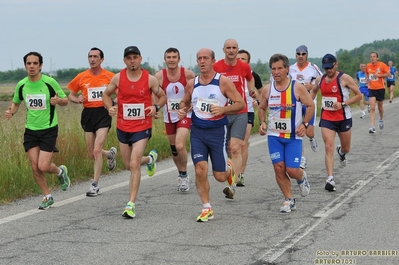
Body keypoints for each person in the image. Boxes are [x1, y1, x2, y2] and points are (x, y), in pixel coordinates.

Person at [178, 48, 245, 222]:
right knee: (200, 170)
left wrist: (223, 109)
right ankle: (206, 207)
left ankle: (228, 168)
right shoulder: (192, 83)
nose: (202, 61)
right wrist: (181, 109)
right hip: (198, 132)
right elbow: (184, 101)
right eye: (199, 58)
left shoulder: (222, 82)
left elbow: (240, 103)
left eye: (205, 58)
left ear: (213, 60)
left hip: (217, 132)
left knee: (220, 177)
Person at [102, 46, 166, 219]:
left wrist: (155, 107)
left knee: (135, 162)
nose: (132, 61)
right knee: (128, 164)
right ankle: (150, 159)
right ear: (124, 60)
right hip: (123, 126)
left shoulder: (149, 79)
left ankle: (130, 204)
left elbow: (163, 96)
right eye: (129, 58)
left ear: (140, 59)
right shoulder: (118, 77)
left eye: (135, 57)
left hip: (142, 126)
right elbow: (106, 95)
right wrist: (110, 108)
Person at [4, 51, 70, 209]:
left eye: (35, 63)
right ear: (25, 66)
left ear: (40, 65)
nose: (32, 66)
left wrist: (58, 100)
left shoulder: (49, 82)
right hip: (31, 130)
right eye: (29, 63)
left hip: (48, 129)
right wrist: (10, 112)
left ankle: (60, 172)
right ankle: (47, 196)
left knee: (43, 166)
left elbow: (65, 101)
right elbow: (16, 103)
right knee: (34, 166)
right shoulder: (22, 85)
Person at [258, 53, 312, 213]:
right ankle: (288, 199)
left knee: (292, 170)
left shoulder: (297, 87)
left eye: (279, 68)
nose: (276, 72)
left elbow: (310, 106)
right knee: (279, 168)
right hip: (274, 136)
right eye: (273, 69)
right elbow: (261, 108)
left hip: (293, 137)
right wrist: (262, 122)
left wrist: (305, 123)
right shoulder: (268, 89)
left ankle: (302, 178)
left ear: (287, 69)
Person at [67, 47, 117, 197]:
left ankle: (94, 185)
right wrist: (77, 99)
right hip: (88, 114)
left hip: (103, 113)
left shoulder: (110, 76)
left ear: (102, 59)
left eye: (95, 56)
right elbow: (70, 95)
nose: (92, 59)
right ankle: (109, 154)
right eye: (90, 56)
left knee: (96, 150)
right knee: (91, 153)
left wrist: (113, 102)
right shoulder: (81, 77)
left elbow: (121, 93)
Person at [311, 54, 361, 191]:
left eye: (331, 67)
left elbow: (359, 95)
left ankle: (342, 152)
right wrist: (308, 104)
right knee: (328, 146)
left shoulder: (344, 78)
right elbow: (313, 92)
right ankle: (330, 179)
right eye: (326, 68)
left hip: (343, 117)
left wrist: (343, 104)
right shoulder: (320, 79)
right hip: (327, 118)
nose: (329, 71)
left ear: (336, 65)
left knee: (347, 148)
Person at [213, 39, 256, 195]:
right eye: (228, 48)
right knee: (225, 150)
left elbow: (250, 79)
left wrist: (251, 91)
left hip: (239, 112)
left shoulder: (244, 67)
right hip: (222, 112)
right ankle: (229, 172)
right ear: (223, 50)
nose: (231, 50)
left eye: (234, 48)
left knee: (235, 148)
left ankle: (231, 184)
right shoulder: (216, 66)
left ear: (237, 50)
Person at [155, 47, 195, 192]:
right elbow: (155, 93)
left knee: (179, 145)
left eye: (174, 57)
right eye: (169, 57)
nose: (171, 59)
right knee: (174, 149)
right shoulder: (159, 76)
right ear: (165, 59)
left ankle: (184, 175)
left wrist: (191, 105)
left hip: (185, 114)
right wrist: (155, 108)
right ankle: (181, 173)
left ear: (179, 59)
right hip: (168, 115)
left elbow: (197, 91)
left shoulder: (188, 74)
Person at [289, 45, 322, 169]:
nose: (300, 56)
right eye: (298, 54)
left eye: (303, 54)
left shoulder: (313, 68)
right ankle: (302, 158)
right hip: (296, 103)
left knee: (309, 132)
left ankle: (312, 138)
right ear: (296, 55)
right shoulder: (291, 69)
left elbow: (322, 81)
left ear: (307, 55)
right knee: (298, 131)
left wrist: (312, 87)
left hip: (309, 103)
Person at [236, 49, 263, 187]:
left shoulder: (253, 76)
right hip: (231, 113)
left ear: (248, 62)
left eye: (243, 59)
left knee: (242, 144)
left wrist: (257, 101)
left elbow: (262, 94)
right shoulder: (228, 75)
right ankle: (233, 169)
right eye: (238, 58)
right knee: (232, 147)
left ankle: (240, 174)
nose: (240, 61)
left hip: (247, 112)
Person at [366, 52, 390, 133]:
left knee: (380, 107)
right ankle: (372, 126)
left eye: (374, 57)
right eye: (371, 57)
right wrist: (367, 80)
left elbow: (389, 74)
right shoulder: (368, 66)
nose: (372, 58)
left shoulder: (382, 65)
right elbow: (367, 74)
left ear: (377, 58)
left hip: (380, 88)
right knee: (372, 107)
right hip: (371, 88)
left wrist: (379, 76)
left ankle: (381, 119)